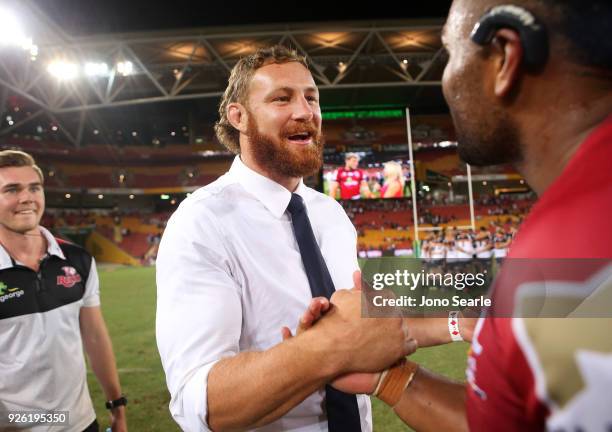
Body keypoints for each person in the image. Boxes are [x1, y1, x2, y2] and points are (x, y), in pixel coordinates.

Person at [301, 0, 612, 430]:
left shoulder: (564, 251)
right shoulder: (563, 234)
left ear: (504, 57)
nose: (444, 81)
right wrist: (389, 377)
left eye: (450, 55)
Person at [155, 45, 419, 432]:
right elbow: (201, 402)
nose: (304, 111)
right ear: (239, 116)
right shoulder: (202, 222)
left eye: (311, 97)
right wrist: (325, 349)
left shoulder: (331, 215)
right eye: (282, 98)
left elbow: (362, 330)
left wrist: (457, 321)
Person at [0, 151, 127, 432]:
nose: (27, 198)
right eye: (11, 189)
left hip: (81, 422)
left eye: (34, 188)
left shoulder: (78, 259)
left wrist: (116, 405)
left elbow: (94, 337)